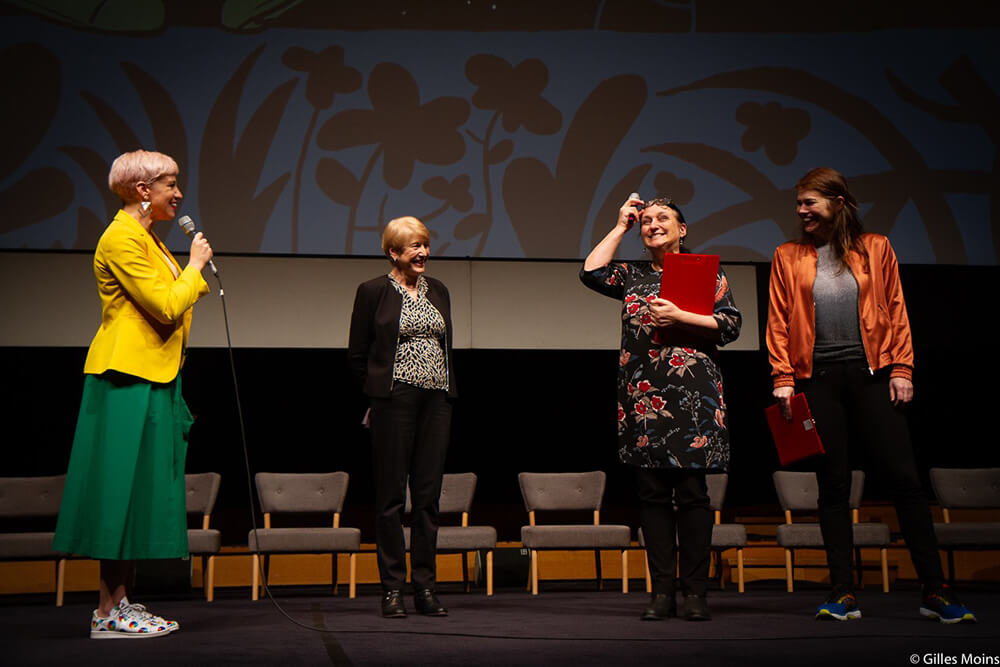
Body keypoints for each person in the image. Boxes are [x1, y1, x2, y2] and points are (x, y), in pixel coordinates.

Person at [767, 166, 976, 624]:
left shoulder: (876, 248)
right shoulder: (788, 255)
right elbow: (779, 319)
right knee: (834, 486)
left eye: (810, 202)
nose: (801, 211)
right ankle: (842, 593)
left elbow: (896, 309)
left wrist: (902, 367)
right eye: (799, 203)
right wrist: (782, 376)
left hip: (874, 375)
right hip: (817, 378)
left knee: (905, 481)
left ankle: (935, 592)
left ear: (838, 203)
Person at [53, 150, 213, 638]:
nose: (179, 193)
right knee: (118, 490)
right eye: (171, 184)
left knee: (140, 490)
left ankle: (122, 601)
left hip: (152, 374)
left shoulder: (146, 238)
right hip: (125, 377)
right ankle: (107, 610)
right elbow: (166, 306)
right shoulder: (121, 239)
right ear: (144, 190)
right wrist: (196, 265)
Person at [581, 195, 741, 621]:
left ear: (682, 229)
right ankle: (662, 592)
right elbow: (591, 272)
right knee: (651, 496)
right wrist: (620, 226)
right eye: (646, 220)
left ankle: (695, 593)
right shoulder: (631, 275)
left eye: (662, 218)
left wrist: (683, 317)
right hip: (643, 399)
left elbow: (730, 325)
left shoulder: (703, 269)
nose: (652, 224)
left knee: (691, 495)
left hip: (692, 399)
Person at [348, 216, 457, 618]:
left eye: (425, 245)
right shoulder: (373, 291)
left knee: (427, 498)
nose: (423, 253)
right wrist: (379, 395)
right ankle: (392, 589)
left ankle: (425, 588)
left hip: (437, 401)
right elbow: (358, 354)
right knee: (392, 498)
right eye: (414, 246)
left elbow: (446, 345)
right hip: (394, 401)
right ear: (394, 252)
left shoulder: (440, 291)